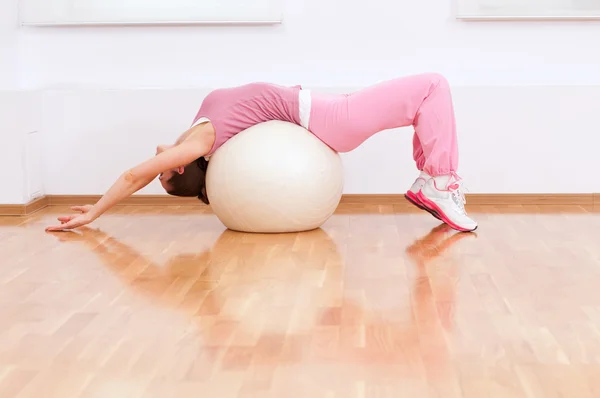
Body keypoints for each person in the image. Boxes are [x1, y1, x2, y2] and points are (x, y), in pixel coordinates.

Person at [46, 73, 477, 233]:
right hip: (329, 119)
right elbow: (133, 174)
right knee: (432, 87)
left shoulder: (198, 127)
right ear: (180, 165)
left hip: (324, 107)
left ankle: (432, 181)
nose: (158, 159)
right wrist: (97, 210)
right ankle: (439, 183)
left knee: (424, 100)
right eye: (165, 172)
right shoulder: (200, 142)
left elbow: (156, 157)